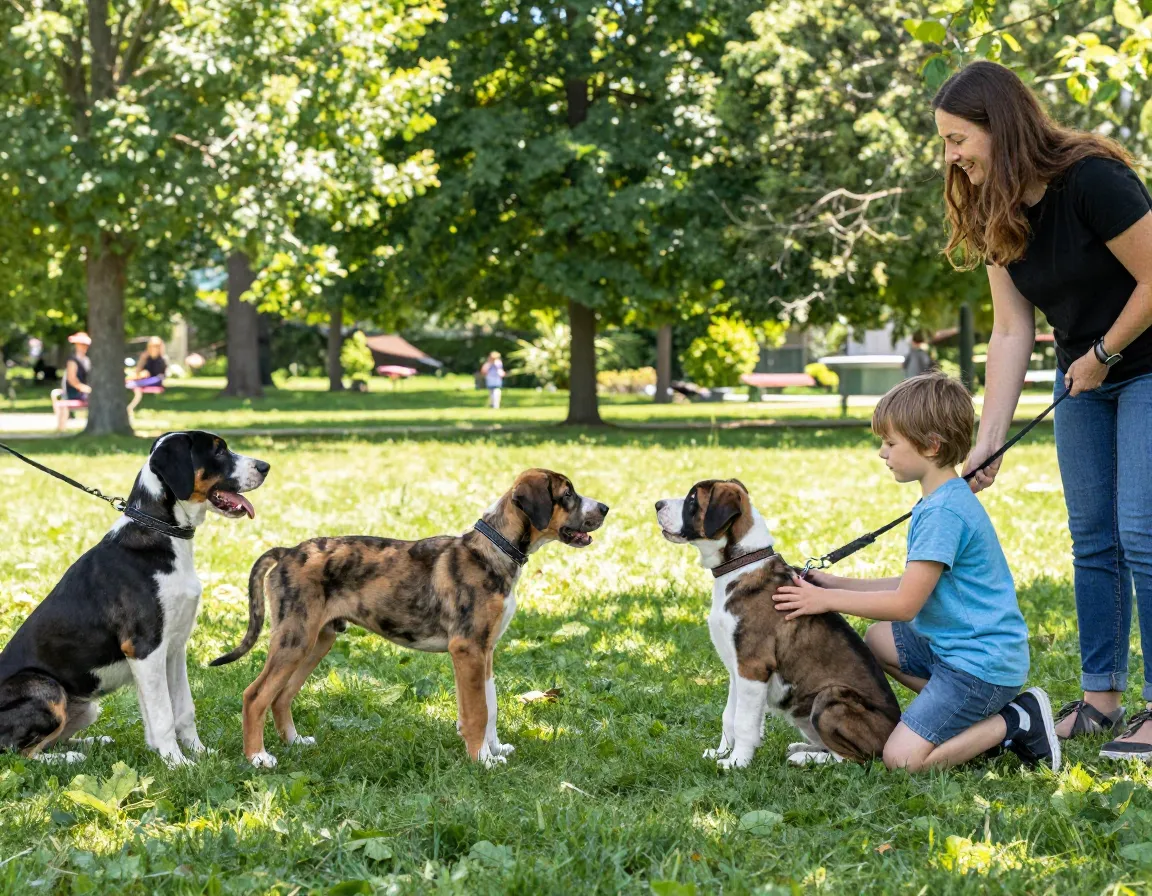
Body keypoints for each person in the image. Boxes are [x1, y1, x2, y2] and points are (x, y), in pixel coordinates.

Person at [933, 62, 1152, 760]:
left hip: (1142, 365)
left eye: (958, 138)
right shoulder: (994, 205)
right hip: (1084, 380)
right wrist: (989, 441)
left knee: (1142, 531)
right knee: (1093, 539)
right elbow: (1010, 332)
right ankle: (1099, 700)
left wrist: (1106, 353)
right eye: (944, 143)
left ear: (1002, 125)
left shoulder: (1091, 180)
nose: (952, 156)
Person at [774, 373, 1060, 772]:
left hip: (979, 667)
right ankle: (960, 715)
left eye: (891, 443)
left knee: (902, 760)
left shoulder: (943, 513)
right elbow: (915, 586)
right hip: (957, 651)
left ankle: (1015, 719)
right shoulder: (941, 500)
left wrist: (822, 599)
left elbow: (906, 604)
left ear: (930, 445)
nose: (882, 453)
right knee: (876, 639)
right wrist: (836, 582)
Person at [55, 331, 92, 432]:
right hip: (74, 392)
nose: (84, 347)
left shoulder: (86, 360)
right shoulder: (73, 361)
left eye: (85, 345)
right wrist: (86, 389)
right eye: (81, 344)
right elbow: (72, 380)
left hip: (84, 390)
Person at [127, 336, 168, 413]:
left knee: (134, 384)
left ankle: (131, 405)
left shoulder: (162, 359)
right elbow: (138, 371)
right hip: (145, 379)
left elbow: (161, 374)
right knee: (134, 385)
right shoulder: (146, 358)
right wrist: (142, 360)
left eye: (156, 346)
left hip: (157, 379)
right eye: (152, 346)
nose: (154, 348)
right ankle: (131, 406)